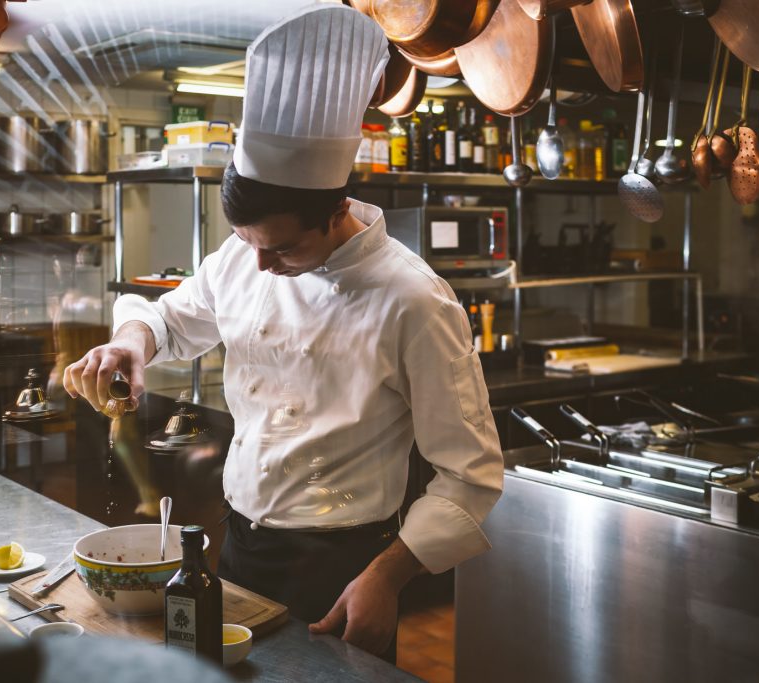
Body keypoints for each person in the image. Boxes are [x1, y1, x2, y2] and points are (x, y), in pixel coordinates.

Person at [64, 4, 503, 662]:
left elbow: (471, 475)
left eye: (283, 249)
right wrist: (129, 343)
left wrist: (388, 577)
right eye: (249, 244)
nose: (262, 265)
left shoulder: (414, 300)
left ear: (335, 210)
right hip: (241, 545)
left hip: (350, 565)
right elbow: (169, 315)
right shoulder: (247, 255)